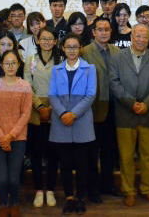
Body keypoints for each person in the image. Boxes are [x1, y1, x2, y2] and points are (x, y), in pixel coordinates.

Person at [109, 24, 149, 207]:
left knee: (148, 156)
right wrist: (131, 103)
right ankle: (129, 191)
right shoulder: (117, 57)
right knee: (126, 157)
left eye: (144, 36)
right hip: (125, 114)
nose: (141, 39)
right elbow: (114, 83)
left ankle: (147, 189)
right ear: (131, 37)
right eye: (137, 36)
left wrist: (146, 104)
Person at [49, 34, 98, 215]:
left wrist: (73, 114)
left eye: (75, 47)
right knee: (65, 164)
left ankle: (80, 198)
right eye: (68, 47)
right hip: (61, 121)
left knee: (82, 164)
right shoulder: (56, 70)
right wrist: (63, 113)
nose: (71, 50)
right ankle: (69, 197)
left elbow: (90, 95)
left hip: (81, 121)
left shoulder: (90, 68)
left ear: (80, 48)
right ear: (63, 48)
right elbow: (52, 95)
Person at [0, 49, 33, 217]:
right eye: (7, 63)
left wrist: (11, 135)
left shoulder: (25, 86)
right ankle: (4, 204)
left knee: (14, 177)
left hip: (18, 138)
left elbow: (26, 114)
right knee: (2, 177)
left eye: (14, 63)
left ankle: (15, 203)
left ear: (19, 65)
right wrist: (1, 136)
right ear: (1, 65)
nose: (10, 66)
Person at [80, 19, 121, 197]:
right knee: (91, 151)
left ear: (111, 32)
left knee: (109, 150)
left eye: (106, 29)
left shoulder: (117, 51)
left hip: (114, 106)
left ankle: (107, 184)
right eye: (100, 29)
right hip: (93, 107)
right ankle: (92, 188)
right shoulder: (84, 52)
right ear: (93, 32)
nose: (104, 32)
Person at [24, 28, 61, 208]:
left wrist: (52, 107)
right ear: (38, 41)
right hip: (35, 110)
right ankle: (39, 189)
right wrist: (39, 106)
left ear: (55, 42)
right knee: (36, 153)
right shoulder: (31, 60)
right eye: (43, 38)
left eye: (50, 39)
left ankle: (51, 189)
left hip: (56, 109)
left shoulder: (61, 60)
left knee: (53, 153)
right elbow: (27, 85)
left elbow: (62, 85)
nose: (46, 41)